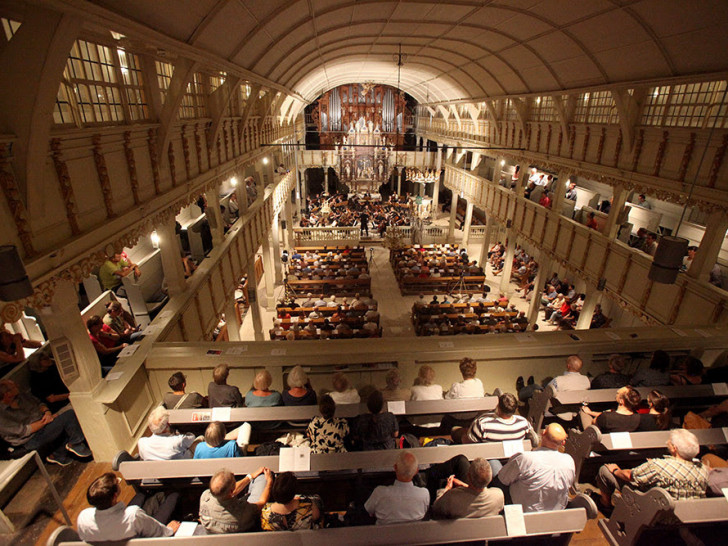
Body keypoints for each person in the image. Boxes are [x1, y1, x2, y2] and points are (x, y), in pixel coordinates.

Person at [596, 429, 709, 508]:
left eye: (670, 442)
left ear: (674, 448)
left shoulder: (658, 466)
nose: (667, 442)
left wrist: (615, 470)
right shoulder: (704, 469)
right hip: (690, 513)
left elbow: (629, 476)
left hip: (656, 511)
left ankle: (605, 504)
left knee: (604, 471)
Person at [0, 379, 91, 466]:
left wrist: (47, 412)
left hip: (44, 422)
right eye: (14, 386)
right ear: (8, 394)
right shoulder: (2, 416)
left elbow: (40, 403)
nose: (18, 386)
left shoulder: (22, 396)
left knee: (72, 409)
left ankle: (57, 454)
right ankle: (75, 443)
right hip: (30, 439)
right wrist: (46, 421)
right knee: (69, 416)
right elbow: (25, 431)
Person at [493, 423, 574, 512]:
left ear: (543, 433)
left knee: (493, 463)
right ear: (563, 442)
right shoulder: (569, 461)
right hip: (554, 510)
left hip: (520, 509)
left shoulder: (526, 458)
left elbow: (502, 480)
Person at [77, 472, 180, 541]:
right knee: (173, 496)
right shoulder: (132, 515)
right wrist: (170, 530)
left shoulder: (84, 517)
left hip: (122, 535)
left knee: (141, 495)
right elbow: (158, 533)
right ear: (114, 496)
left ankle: (155, 494)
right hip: (142, 538)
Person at [199, 467, 273, 534]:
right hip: (246, 531)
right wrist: (269, 481)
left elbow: (227, 491)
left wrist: (250, 476)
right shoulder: (243, 511)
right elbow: (262, 502)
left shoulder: (205, 496)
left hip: (218, 535)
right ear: (231, 491)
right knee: (262, 478)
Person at [364, 451, 430, 525]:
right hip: (414, 536)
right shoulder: (424, 494)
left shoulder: (379, 493)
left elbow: (368, 511)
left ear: (395, 467)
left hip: (383, 536)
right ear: (416, 471)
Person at [431, 457, 505, 519]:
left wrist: (446, 489)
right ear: (490, 479)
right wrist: (465, 486)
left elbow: (436, 507)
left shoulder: (452, 498)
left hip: (457, 533)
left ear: (468, 477)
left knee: (461, 460)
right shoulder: (498, 495)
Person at [454, 393, 536, 445]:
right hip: (513, 459)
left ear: (498, 407)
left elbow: (469, 443)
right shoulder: (523, 423)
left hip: (490, 460)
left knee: (456, 431)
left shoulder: (483, 423)